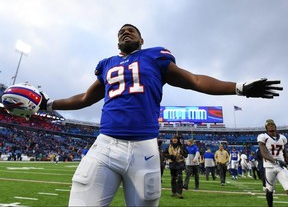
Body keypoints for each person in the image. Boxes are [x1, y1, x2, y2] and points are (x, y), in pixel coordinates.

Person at [39, 24, 283, 206]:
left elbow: (195, 80)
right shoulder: (106, 64)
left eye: (131, 30)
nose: (125, 32)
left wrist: (239, 87)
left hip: (144, 150)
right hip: (105, 146)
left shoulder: (154, 57)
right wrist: (48, 104)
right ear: (117, 43)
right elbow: (83, 99)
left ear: (141, 39)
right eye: (121, 31)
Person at [257, 119, 288, 207]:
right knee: (269, 189)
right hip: (269, 167)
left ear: (275, 126)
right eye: (269, 125)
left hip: (281, 167)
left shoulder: (282, 138)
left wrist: (286, 160)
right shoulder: (263, 137)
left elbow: (285, 153)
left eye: (272, 124)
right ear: (266, 127)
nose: (271, 125)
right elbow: (263, 153)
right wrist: (276, 161)